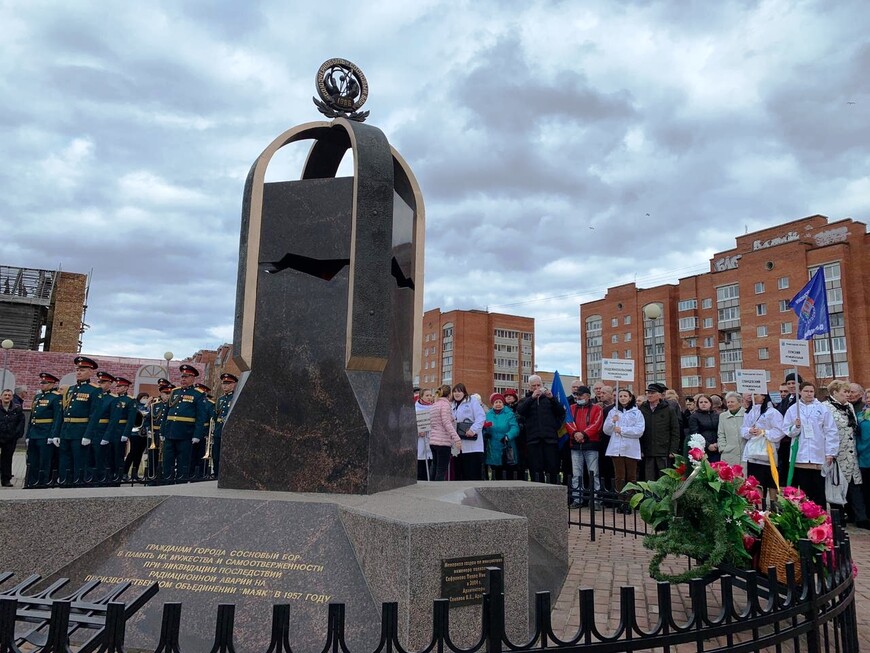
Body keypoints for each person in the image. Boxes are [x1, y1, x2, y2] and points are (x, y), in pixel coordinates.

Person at [783, 382, 838, 508]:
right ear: (800, 392)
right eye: (806, 391)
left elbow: (831, 431)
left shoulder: (822, 408)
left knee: (819, 491)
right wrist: (796, 427)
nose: (809, 394)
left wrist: (830, 452)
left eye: (811, 391)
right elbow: (787, 430)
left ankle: (821, 517)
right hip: (801, 456)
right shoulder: (793, 409)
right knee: (804, 491)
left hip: (818, 455)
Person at [824, 380, 868, 527]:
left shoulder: (848, 407)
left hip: (851, 452)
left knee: (854, 484)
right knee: (836, 484)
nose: (848, 395)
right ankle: (838, 517)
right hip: (836, 453)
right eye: (845, 392)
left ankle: (860, 517)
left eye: (849, 392)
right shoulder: (826, 407)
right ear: (835, 392)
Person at [58, 356, 103, 485]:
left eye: (82, 370)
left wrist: (88, 435)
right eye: (77, 370)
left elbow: (95, 415)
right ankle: (64, 483)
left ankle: (78, 485)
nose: (78, 372)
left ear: (90, 372)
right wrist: (57, 433)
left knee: (79, 462)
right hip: (66, 431)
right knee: (64, 461)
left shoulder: (94, 390)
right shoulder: (71, 389)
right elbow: (63, 413)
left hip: (80, 432)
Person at [161, 364, 210, 481]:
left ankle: (180, 482)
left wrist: (197, 435)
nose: (183, 379)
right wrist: (163, 431)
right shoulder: (174, 392)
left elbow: (201, 417)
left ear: (193, 378)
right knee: (168, 459)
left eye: (187, 377)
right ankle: (167, 480)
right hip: (170, 432)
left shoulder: (198, 394)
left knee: (183, 460)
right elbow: (166, 414)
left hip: (186, 433)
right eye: (182, 376)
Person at [516, 375, 565, 483]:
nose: (537, 387)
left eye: (539, 385)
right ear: (529, 387)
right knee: (536, 470)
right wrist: (532, 398)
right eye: (534, 386)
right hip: (533, 440)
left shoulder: (549, 399)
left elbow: (561, 412)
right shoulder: (525, 400)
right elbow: (520, 411)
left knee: (553, 468)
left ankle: (554, 493)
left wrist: (552, 399)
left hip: (550, 439)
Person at [603, 389, 644, 512]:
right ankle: (621, 501)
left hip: (631, 448)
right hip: (617, 448)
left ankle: (630, 501)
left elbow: (639, 431)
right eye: (620, 396)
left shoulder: (637, 413)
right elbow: (606, 430)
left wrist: (623, 430)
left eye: (625, 396)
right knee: (619, 476)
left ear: (630, 397)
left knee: (631, 476)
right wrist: (612, 422)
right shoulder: (613, 412)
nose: (623, 398)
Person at [741, 393, 785, 501]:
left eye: (756, 394)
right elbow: (743, 429)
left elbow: (780, 431)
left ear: (764, 396)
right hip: (753, 453)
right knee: (755, 482)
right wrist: (749, 431)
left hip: (768, 451)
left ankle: (774, 507)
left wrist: (764, 432)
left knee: (771, 483)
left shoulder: (772, 412)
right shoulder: (750, 412)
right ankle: (758, 507)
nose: (753, 396)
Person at [566, 385, 603, 508]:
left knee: (594, 473)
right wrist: (575, 433)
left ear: (587, 396)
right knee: (577, 474)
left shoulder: (597, 409)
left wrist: (584, 434)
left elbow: (597, 424)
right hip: (575, 445)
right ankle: (578, 499)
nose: (577, 397)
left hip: (591, 444)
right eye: (576, 395)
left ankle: (596, 499)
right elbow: (568, 422)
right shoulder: (571, 408)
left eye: (580, 395)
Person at [25, 373, 64, 486]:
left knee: (44, 460)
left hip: (45, 433)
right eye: (41, 382)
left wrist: (53, 435)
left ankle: (43, 481)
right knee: (32, 459)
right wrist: (28, 435)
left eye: (45, 383)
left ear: (52, 384)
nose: (42, 385)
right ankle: (31, 481)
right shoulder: (37, 397)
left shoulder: (56, 397)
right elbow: (32, 417)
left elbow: (57, 418)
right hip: (34, 432)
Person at [640, 383, 680, 481]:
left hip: (663, 450)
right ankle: (650, 495)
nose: (649, 395)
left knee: (663, 477)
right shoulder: (642, 409)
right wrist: (640, 449)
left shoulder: (668, 409)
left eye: (652, 393)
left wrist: (673, 450)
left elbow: (675, 430)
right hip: (647, 450)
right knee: (649, 478)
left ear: (659, 395)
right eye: (648, 393)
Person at [101, 377, 136, 482]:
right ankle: (109, 476)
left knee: (118, 456)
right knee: (109, 455)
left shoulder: (130, 400)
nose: (117, 388)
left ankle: (118, 477)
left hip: (121, 430)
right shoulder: (114, 399)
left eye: (120, 386)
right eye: (117, 386)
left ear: (126, 388)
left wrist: (126, 433)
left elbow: (131, 419)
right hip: (111, 430)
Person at [451, 383, 486, 481]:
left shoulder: (472, 401)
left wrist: (473, 429)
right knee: (459, 475)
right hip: (457, 446)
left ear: (464, 392)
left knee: (472, 474)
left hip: (472, 446)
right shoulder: (452, 405)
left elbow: (481, 417)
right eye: (454, 391)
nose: (456, 394)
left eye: (459, 391)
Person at [428, 384, 461, 480]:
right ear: (449, 395)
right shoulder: (445, 405)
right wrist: (457, 439)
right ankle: (438, 491)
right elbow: (446, 422)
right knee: (441, 470)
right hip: (443, 442)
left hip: (433, 440)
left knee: (434, 468)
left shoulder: (435, 405)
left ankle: (431, 490)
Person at [484, 393, 519, 480]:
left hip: (506, 446)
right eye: (496, 402)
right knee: (496, 472)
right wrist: (485, 433)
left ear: (503, 403)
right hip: (492, 447)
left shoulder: (509, 414)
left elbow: (515, 428)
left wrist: (508, 436)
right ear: (493, 404)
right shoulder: (488, 415)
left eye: (500, 402)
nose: (498, 404)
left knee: (508, 473)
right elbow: (483, 427)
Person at [90, 371, 117, 483]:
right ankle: (90, 479)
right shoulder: (94, 396)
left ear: (109, 384)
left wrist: (107, 436)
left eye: (103, 382)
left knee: (102, 458)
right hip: (91, 431)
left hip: (103, 431)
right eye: (99, 382)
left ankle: (104, 480)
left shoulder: (113, 399)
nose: (100, 384)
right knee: (90, 458)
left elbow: (113, 420)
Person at [212, 373, 237, 478]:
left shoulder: (235, 397)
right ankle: (217, 474)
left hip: (230, 430)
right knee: (216, 455)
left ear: (233, 384)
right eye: (223, 384)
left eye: (228, 384)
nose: (225, 386)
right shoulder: (220, 399)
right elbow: (215, 415)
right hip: (219, 430)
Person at [123, 392, 151, 481]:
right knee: (132, 452)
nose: (145, 398)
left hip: (144, 433)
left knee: (139, 454)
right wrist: (147, 405)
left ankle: (135, 474)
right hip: (135, 433)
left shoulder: (150, 407)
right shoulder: (136, 405)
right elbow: (140, 414)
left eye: (146, 397)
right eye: (144, 397)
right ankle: (124, 473)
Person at [0, 388, 25, 486]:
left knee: (7, 459)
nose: (7, 397)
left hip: (10, 438)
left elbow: (21, 422)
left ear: (11, 397)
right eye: (5, 395)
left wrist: (16, 434)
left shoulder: (17, 409)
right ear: (1, 397)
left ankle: (6, 479)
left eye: (9, 395)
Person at [717, 391, 746, 466]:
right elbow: (721, 433)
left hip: (744, 453)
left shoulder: (747, 414)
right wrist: (722, 448)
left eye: (732, 402)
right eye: (728, 402)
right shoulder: (723, 416)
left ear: (739, 402)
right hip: (728, 454)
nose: (729, 404)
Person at [688, 394, 720, 462]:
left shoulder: (717, 415)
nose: (703, 404)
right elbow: (695, 433)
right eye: (701, 402)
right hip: (703, 448)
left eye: (706, 402)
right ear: (698, 404)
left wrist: (718, 443)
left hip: (717, 447)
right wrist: (708, 445)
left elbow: (721, 431)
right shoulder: (694, 416)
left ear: (710, 403)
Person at [503, 388, 524, 479]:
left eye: (510, 396)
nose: (508, 397)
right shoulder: (502, 408)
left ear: (515, 397)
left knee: (518, 461)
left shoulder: (519, 407)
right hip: (506, 437)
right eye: (506, 396)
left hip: (519, 438)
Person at [415, 388, 435, 480]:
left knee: (430, 462)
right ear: (421, 396)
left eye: (430, 395)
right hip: (420, 440)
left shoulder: (434, 408)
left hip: (431, 439)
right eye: (427, 395)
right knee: (421, 464)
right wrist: (418, 431)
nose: (429, 397)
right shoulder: (415, 408)